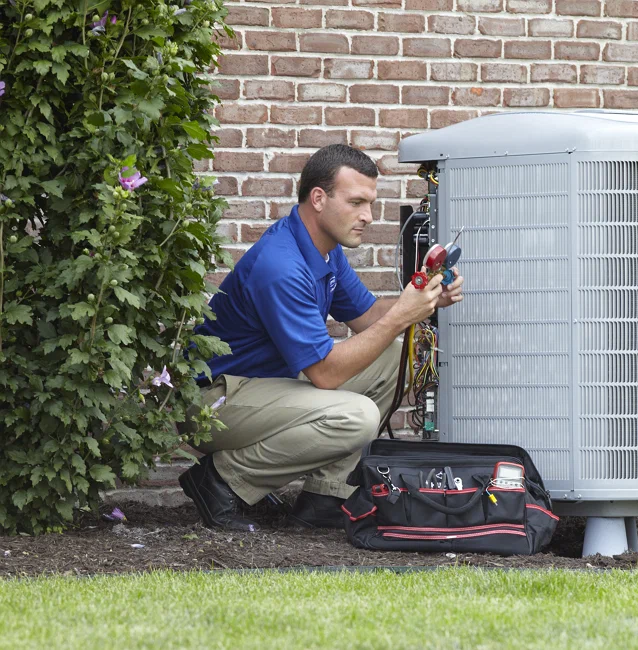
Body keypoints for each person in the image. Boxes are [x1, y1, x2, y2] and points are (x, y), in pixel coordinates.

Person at [178, 144, 463, 532]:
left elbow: (366, 319)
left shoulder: (323, 250)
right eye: (357, 202)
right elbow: (325, 375)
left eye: (371, 204)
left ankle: (324, 498)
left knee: (399, 357)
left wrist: (427, 299)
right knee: (355, 416)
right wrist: (401, 316)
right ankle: (221, 480)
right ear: (318, 198)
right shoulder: (281, 265)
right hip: (213, 402)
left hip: (263, 387)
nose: (367, 216)